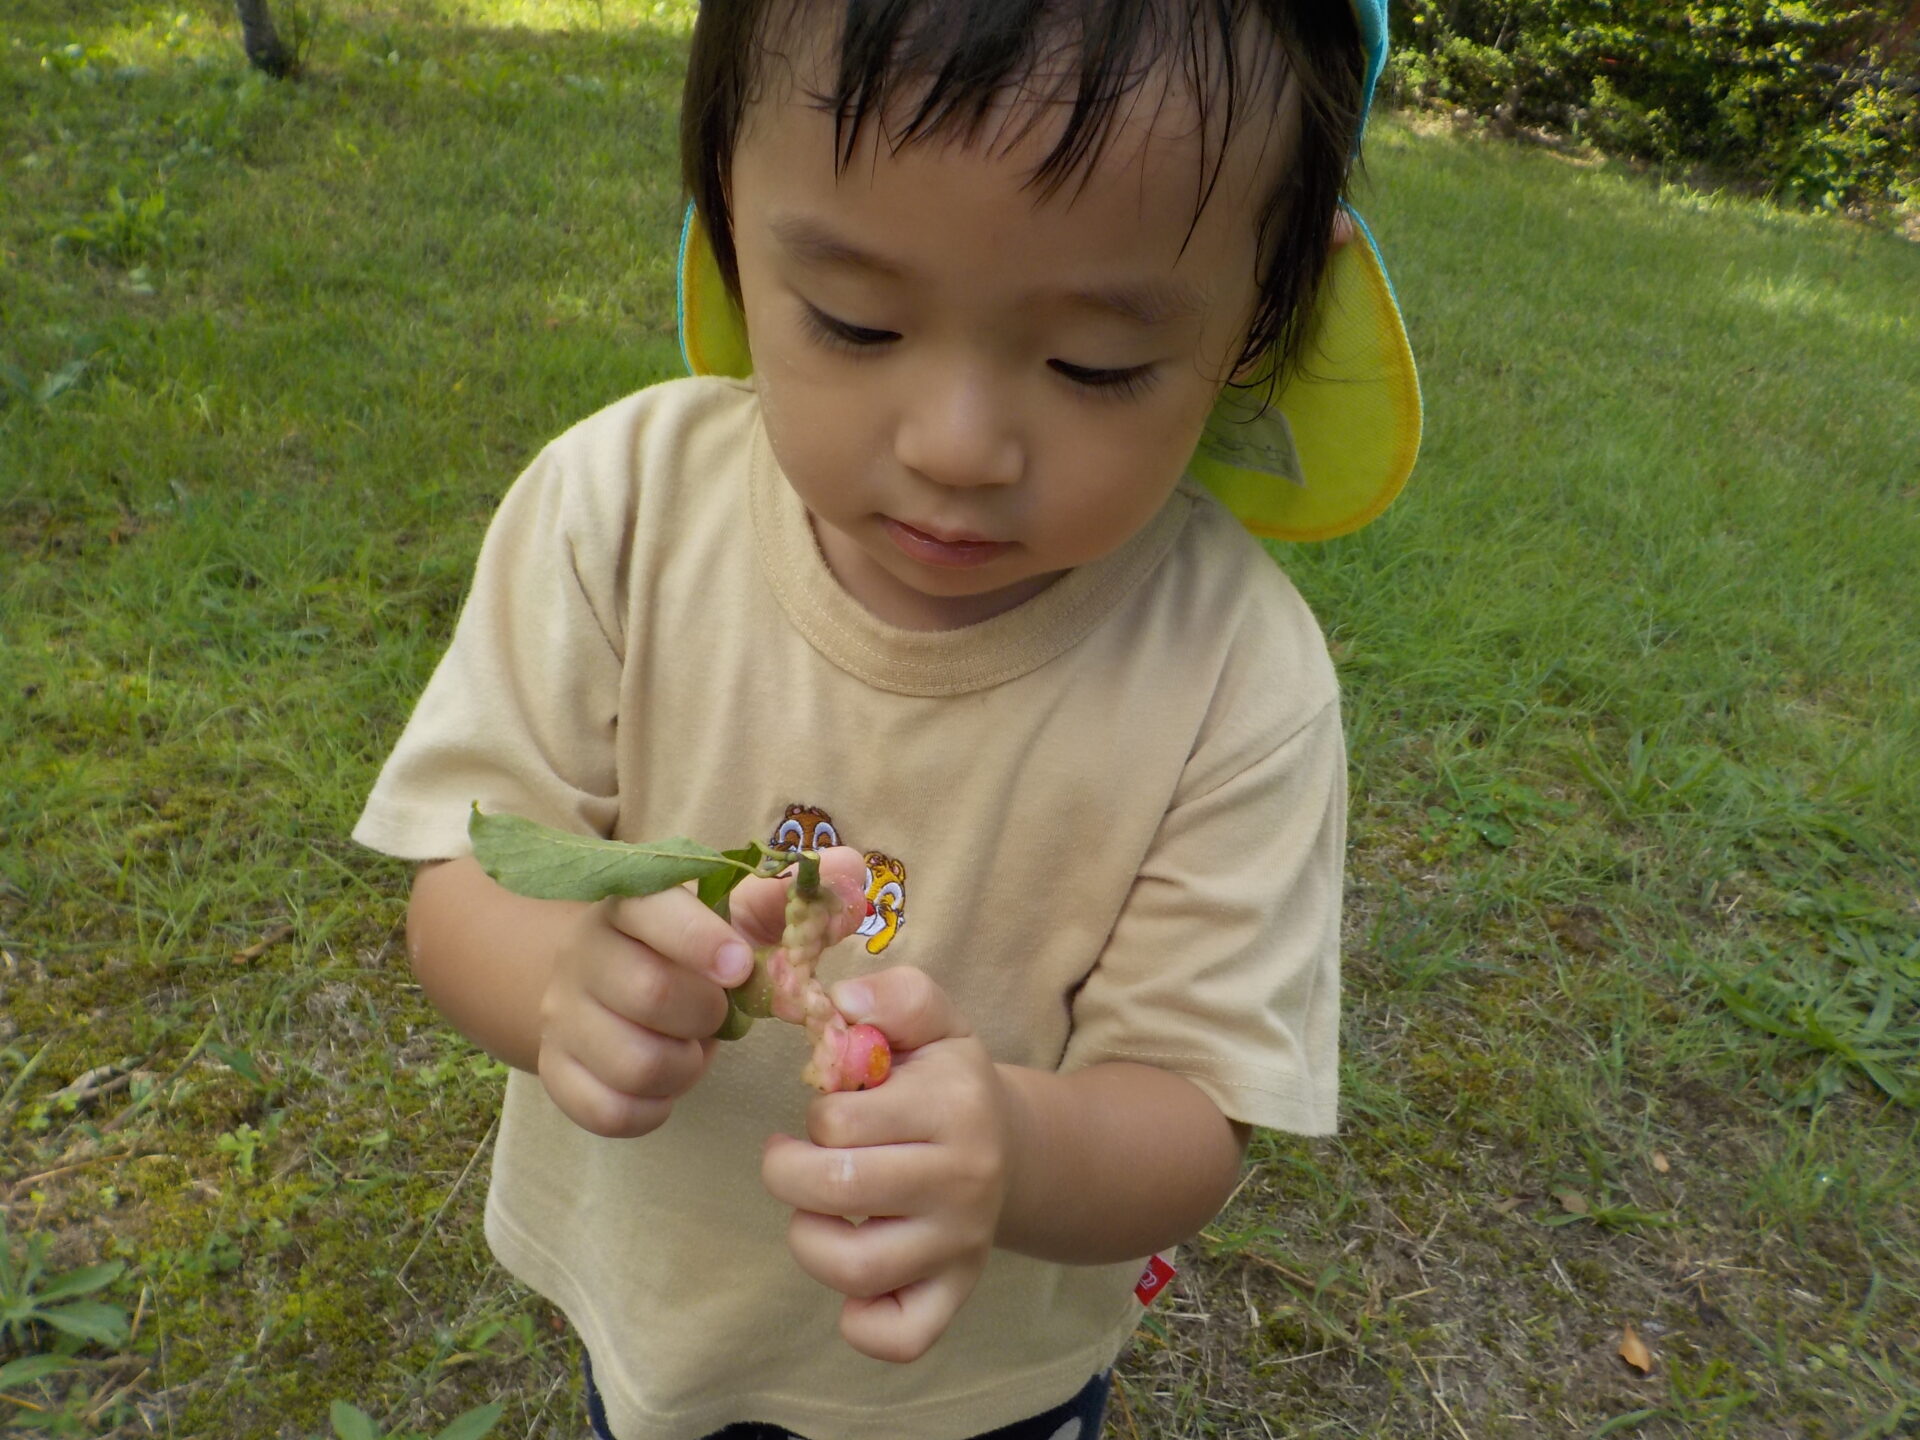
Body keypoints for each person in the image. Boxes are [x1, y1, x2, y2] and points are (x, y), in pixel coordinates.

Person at [353, 0, 1420, 1436]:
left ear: (1267, 315)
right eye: (856, 322)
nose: (956, 446)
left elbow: (1192, 1113)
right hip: (656, 1313)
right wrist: (557, 984)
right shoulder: (619, 511)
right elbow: (463, 879)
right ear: (729, 222)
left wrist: (1014, 1146)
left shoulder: (1237, 677)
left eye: (1097, 363)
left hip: (977, 1386)